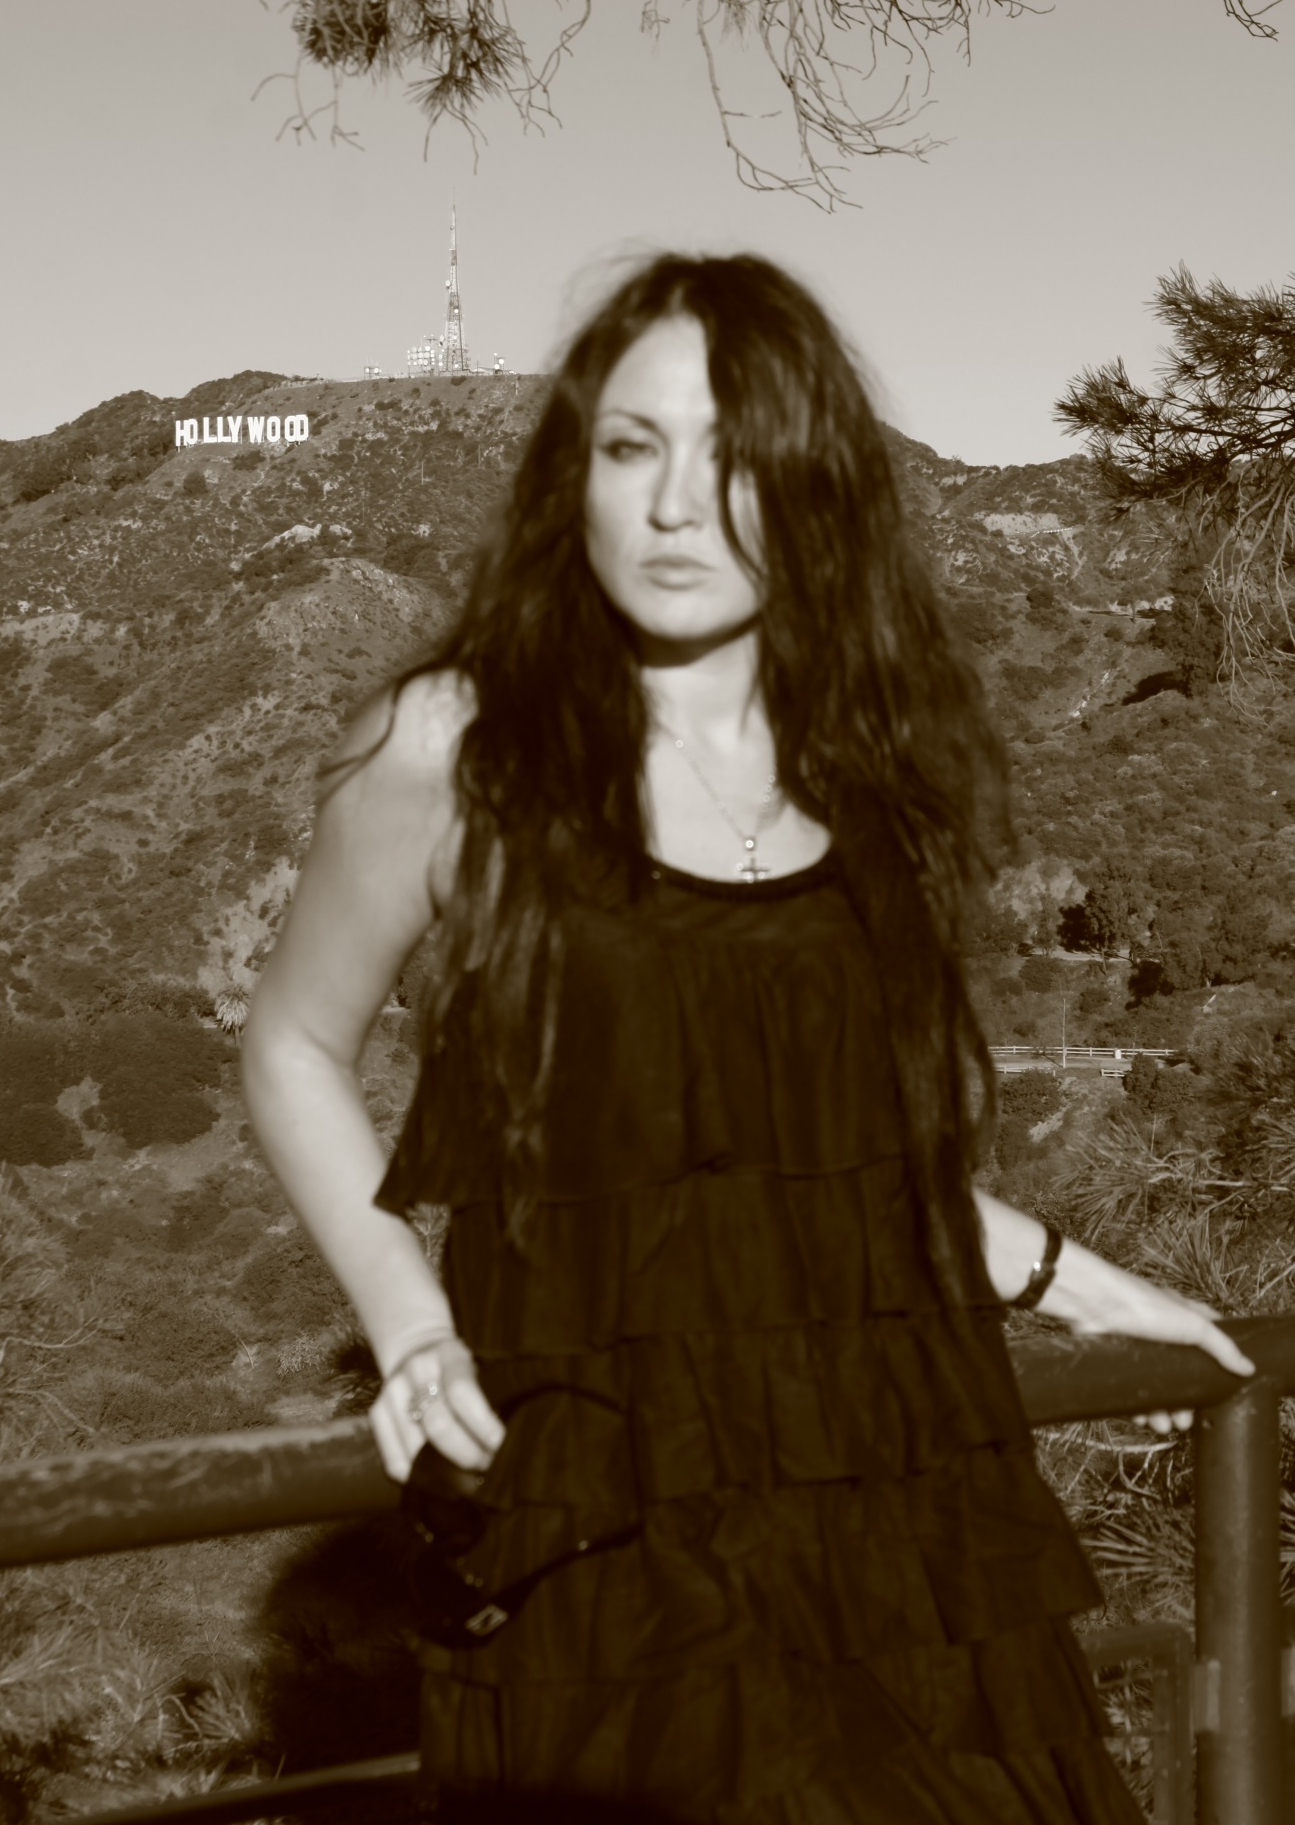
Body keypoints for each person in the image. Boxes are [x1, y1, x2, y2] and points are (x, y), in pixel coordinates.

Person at [241, 253, 1254, 1824]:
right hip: (605, 1514)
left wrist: (1071, 1277)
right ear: (570, 479)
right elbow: (293, 1045)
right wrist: (409, 1316)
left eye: (732, 460)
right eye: (629, 447)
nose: (672, 508)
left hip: (891, 1477)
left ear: (814, 491)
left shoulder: (866, 755)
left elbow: (813, 1158)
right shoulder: (458, 745)